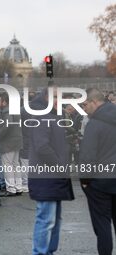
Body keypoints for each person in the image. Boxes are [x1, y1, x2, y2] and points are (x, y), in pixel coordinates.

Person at [28, 87, 74, 255]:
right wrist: (59, 165)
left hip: (54, 174)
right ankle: (40, 252)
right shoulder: (42, 115)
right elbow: (42, 147)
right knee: (46, 219)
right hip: (45, 174)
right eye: (54, 97)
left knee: (55, 220)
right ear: (45, 98)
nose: (57, 100)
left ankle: (49, 251)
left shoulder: (55, 115)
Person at [79, 88, 116, 255]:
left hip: (100, 181)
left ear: (94, 102)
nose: (84, 108)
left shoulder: (94, 124)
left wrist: (85, 181)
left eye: (85, 104)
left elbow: (88, 156)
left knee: (102, 226)